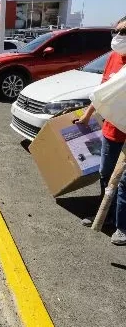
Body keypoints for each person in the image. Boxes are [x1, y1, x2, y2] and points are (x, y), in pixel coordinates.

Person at [77, 16, 126, 245]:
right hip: (111, 132)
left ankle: (122, 227)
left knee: (124, 183)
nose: (118, 37)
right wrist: (86, 116)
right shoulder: (114, 58)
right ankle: (105, 216)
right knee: (106, 174)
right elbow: (103, 92)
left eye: (124, 32)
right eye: (116, 32)